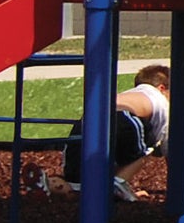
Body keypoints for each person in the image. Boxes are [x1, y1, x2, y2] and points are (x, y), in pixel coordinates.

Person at [44, 62, 169, 200]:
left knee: (78, 168)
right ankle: (117, 184)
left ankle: (57, 184)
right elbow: (166, 143)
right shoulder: (161, 101)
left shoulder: (128, 95)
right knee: (140, 154)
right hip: (124, 118)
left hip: (88, 119)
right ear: (162, 88)